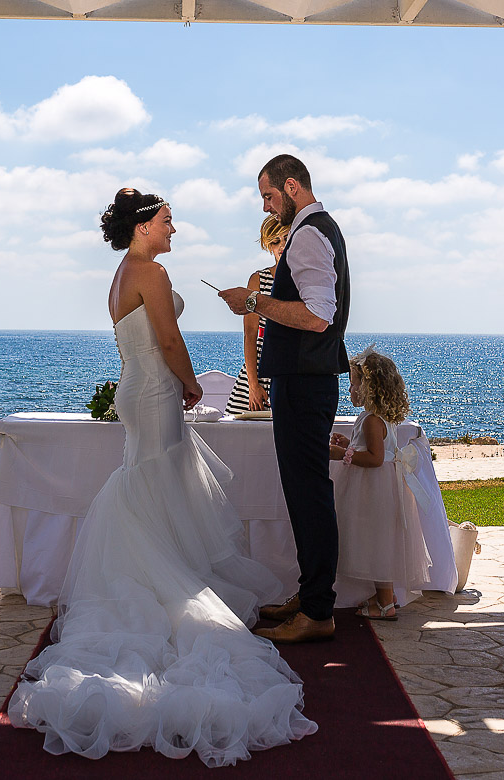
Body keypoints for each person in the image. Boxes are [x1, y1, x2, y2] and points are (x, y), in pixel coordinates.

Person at [9, 188, 317, 767]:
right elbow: (168, 339)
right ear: (144, 225)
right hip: (154, 394)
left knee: (156, 485)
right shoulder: (147, 271)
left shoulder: (125, 270)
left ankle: (164, 572)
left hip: (142, 391)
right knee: (157, 483)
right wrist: (193, 382)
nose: (174, 229)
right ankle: (164, 586)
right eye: (168, 220)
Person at [219, 154, 350, 644]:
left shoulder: (310, 232)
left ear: (292, 186)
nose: (268, 208)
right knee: (304, 492)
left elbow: (317, 315)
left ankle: (317, 610)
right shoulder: (315, 229)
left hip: (303, 380)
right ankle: (311, 594)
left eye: (269, 196)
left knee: (309, 494)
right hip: (304, 379)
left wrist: (252, 302)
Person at [328, 347, 432, 621]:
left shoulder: (373, 420)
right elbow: (376, 450)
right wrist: (349, 443)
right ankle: (384, 596)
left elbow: (375, 458)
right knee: (375, 540)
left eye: (354, 383)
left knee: (376, 542)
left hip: (373, 488)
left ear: (369, 387)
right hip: (375, 485)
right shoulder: (373, 417)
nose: (350, 389)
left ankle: (386, 604)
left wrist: (344, 455)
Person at [225, 215, 288, 414]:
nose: (281, 246)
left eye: (286, 239)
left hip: (289, 370)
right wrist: (253, 385)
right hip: (257, 371)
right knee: (239, 435)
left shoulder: (305, 280)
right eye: (275, 242)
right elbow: (250, 334)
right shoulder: (258, 279)